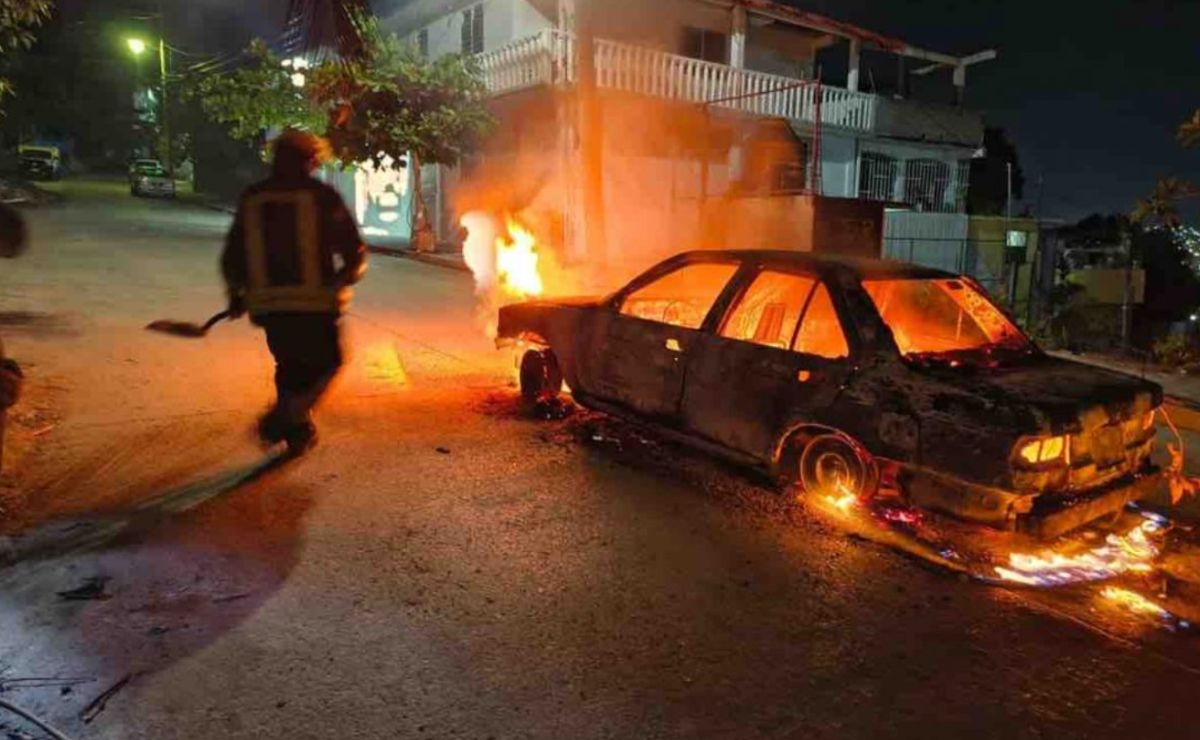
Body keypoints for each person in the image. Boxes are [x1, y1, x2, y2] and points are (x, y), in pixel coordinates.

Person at [221, 130, 367, 455]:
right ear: (311, 160)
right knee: (330, 361)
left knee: (289, 366)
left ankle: (297, 429)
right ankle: (284, 417)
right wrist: (344, 279)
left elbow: (233, 254)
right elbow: (355, 252)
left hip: (270, 309)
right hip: (315, 306)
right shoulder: (322, 196)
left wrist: (236, 294)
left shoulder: (253, 197)